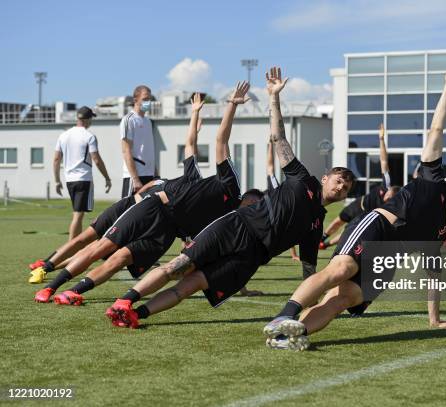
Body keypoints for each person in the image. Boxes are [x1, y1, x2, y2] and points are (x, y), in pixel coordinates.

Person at [105, 67, 355, 329]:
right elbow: (278, 136)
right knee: (179, 265)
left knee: (192, 284)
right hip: (237, 226)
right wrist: (273, 97)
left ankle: (137, 315)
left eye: (346, 188)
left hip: (252, 257)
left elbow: (309, 272)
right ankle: (125, 301)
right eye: (338, 181)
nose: (340, 188)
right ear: (326, 178)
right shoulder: (303, 179)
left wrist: (314, 302)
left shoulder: (317, 222)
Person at [263, 71, 446, 351]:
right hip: (377, 229)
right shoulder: (434, 181)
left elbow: (433, 278)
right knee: (342, 268)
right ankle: (284, 316)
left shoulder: (440, 233)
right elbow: (436, 130)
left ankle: (286, 337)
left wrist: (434, 320)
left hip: (385, 263)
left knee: (342, 300)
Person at [33, 83, 252, 304]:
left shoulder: (227, 219)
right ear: (249, 198)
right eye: (255, 202)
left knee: (119, 259)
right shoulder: (222, 183)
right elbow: (203, 142)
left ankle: (74, 292)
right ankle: (51, 287)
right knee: (103, 246)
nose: (253, 207)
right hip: (152, 207)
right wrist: (207, 111)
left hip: (165, 233)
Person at [27, 179, 165, 284]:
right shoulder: (164, 182)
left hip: (134, 221)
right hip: (123, 208)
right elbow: (142, 190)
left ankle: (45, 269)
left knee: (94, 251)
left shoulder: (177, 193)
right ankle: (44, 266)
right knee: (82, 239)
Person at [320, 123, 399, 249]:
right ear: (389, 190)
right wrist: (381, 139)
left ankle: (324, 245)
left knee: (348, 231)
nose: (387, 199)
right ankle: (322, 237)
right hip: (358, 204)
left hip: (366, 215)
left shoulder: (393, 205)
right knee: (339, 220)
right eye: (388, 196)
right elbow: (384, 161)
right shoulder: (387, 184)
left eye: (390, 200)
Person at [53, 106, 112, 242]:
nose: (92, 121)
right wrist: (107, 178)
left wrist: (57, 180)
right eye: (91, 118)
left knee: (78, 214)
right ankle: (69, 250)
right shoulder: (89, 136)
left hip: (69, 180)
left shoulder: (63, 135)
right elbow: (96, 159)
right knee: (78, 215)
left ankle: (74, 247)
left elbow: (56, 159)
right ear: (87, 119)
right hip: (83, 179)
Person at [120, 85, 158, 198]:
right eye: (145, 99)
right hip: (135, 177)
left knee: (147, 213)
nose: (148, 102)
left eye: (150, 99)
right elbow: (126, 151)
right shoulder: (129, 120)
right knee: (126, 212)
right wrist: (135, 179)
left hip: (149, 175)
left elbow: (148, 151)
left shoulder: (148, 122)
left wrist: (156, 174)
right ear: (136, 100)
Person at [266, 140, 300, 262]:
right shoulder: (275, 188)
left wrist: (294, 256)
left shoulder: (293, 196)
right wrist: (270, 145)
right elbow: (270, 166)